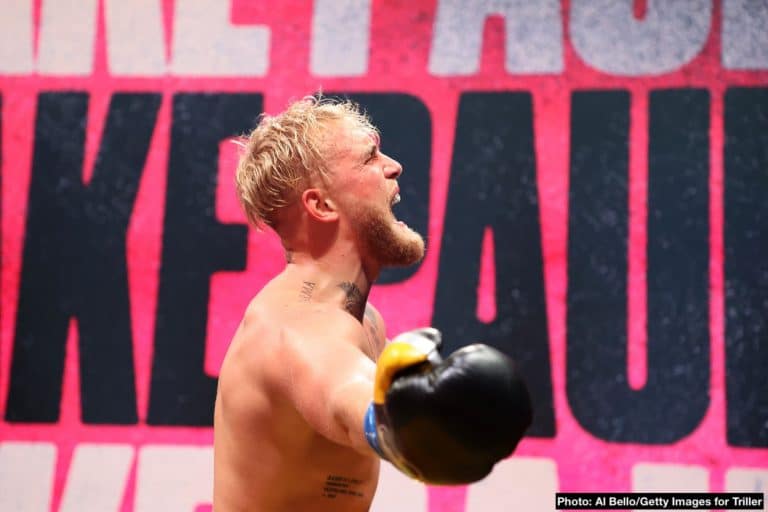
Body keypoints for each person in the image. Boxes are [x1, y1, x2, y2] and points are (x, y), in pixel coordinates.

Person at [213, 96, 532, 512]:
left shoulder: (365, 322)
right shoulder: (296, 330)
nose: (394, 165)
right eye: (370, 157)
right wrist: (403, 420)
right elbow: (347, 395)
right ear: (321, 205)